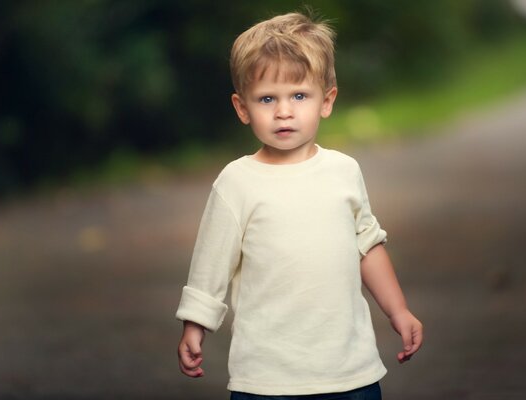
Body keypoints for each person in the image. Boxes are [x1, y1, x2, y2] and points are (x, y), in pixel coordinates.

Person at [176, 11, 423, 400]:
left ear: (327, 101)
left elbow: (367, 246)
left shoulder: (343, 171)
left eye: (299, 95)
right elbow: (211, 260)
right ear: (243, 108)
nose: (284, 111)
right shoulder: (237, 183)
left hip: (349, 370)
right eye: (267, 98)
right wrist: (195, 325)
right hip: (266, 377)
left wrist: (399, 311)